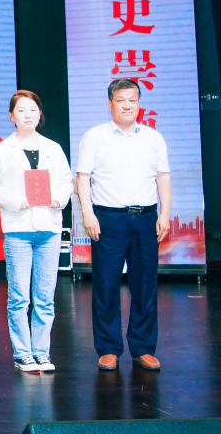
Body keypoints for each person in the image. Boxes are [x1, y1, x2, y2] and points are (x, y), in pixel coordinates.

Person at [76, 78, 170, 372]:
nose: (127, 105)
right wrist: (88, 214)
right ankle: (108, 348)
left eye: (132, 100)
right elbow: (82, 178)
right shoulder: (94, 137)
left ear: (139, 103)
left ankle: (143, 348)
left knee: (145, 284)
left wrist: (165, 213)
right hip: (108, 218)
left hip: (146, 218)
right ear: (110, 104)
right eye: (121, 100)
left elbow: (163, 177)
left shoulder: (153, 137)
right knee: (106, 284)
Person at [0, 90, 73, 373]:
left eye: (32, 110)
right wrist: (13, 200)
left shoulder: (53, 148)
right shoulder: (1, 150)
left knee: (45, 297)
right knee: (19, 297)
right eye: (21, 110)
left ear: (40, 114)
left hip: (49, 227)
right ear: (12, 116)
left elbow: (66, 181)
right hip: (18, 228)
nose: (27, 115)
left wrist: (59, 198)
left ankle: (41, 352)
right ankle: (23, 353)